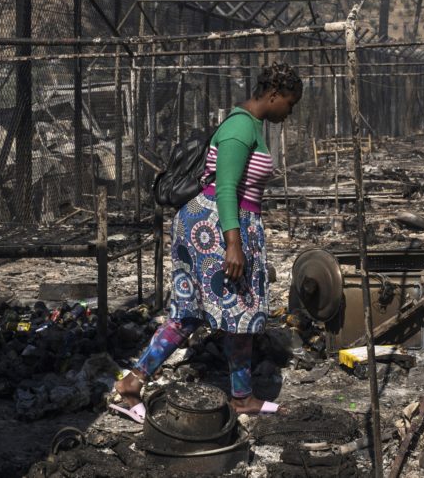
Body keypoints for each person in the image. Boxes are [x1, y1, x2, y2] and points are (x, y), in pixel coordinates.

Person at [110, 63, 303, 422]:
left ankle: (134, 384)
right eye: (289, 103)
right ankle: (237, 397)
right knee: (230, 310)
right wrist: (234, 243)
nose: (289, 112)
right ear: (274, 94)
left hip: (215, 225)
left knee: (203, 313)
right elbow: (227, 187)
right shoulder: (238, 128)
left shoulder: (249, 126)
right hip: (215, 228)